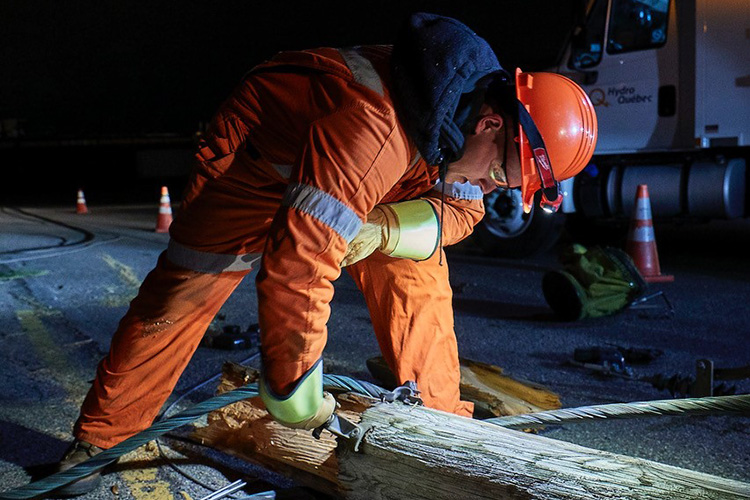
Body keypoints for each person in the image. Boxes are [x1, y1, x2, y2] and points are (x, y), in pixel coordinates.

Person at [56, 11, 597, 495]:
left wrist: (383, 227)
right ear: (492, 125)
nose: (495, 186)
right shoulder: (374, 127)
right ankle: (104, 440)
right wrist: (297, 391)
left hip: (370, 181)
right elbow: (297, 267)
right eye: (502, 174)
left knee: (417, 275)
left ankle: (441, 439)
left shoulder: (464, 121)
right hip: (256, 167)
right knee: (185, 290)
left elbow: (463, 213)